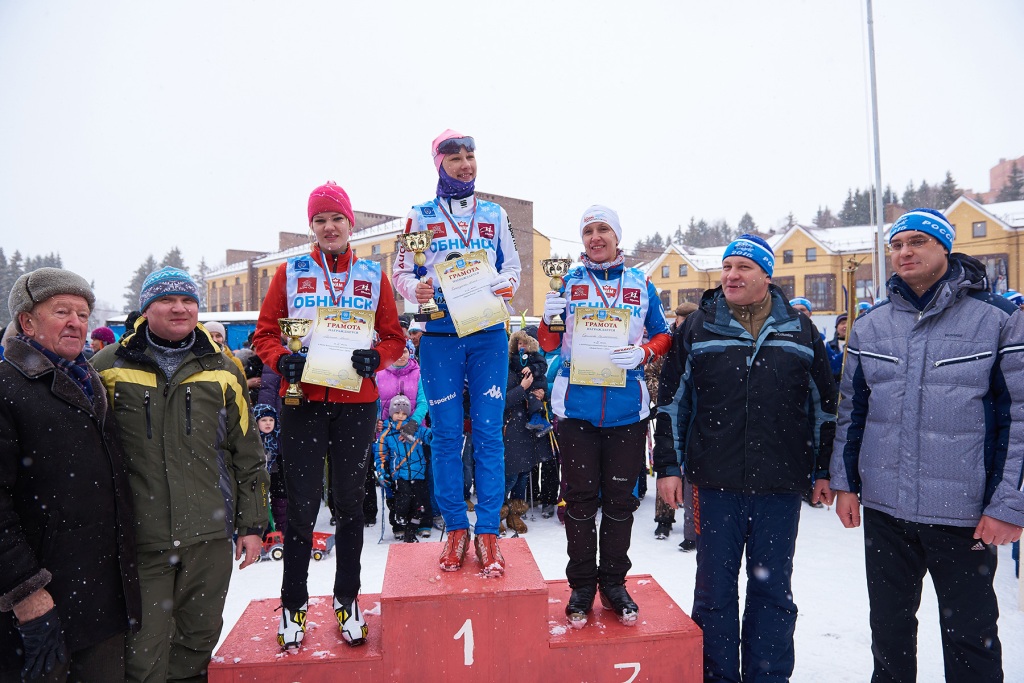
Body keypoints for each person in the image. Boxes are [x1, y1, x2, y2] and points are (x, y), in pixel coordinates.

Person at [830, 208, 1024, 682]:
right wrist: (846, 483)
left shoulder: (998, 319)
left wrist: (1008, 504)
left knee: (971, 638)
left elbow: (1018, 415)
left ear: (945, 248)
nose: (905, 252)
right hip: (886, 511)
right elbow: (852, 410)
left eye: (918, 241)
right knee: (888, 633)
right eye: (897, 245)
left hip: (964, 514)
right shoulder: (871, 325)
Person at [653, 234, 837, 682]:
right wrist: (669, 467)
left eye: (743, 267)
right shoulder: (698, 327)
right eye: (727, 266)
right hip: (714, 483)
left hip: (780, 485)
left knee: (772, 592)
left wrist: (823, 470)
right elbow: (673, 403)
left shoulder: (799, 329)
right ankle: (717, 677)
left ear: (766, 275)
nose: (731, 275)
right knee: (713, 593)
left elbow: (824, 408)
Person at [90, 266, 268, 682]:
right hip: (142, 536)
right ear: (145, 309)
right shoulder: (108, 366)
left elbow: (247, 452)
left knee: (197, 643)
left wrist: (252, 524)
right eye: (167, 300)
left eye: (188, 300)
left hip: (209, 534)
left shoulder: (223, 368)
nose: (179, 308)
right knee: (143, 651)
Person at [253, 181, 405, 650]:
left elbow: (393, 337)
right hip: (303, 403)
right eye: (320, 220)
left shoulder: (372, 274)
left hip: (356, 404)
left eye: (337, 218)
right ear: (312, 226)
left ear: (350, 223)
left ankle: (347, 599)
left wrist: (377, 359)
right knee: (301, 507)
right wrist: (282, 360)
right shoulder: (290, 272)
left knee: (350, 506)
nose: (329, 226)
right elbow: (265, 334)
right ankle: (293, 603)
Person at [0, 268, 141, 683]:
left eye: (82, 314)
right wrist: (25, 591)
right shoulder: (7, 386)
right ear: (27, 322)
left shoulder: (89, 379)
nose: (76, 323)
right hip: (40, 603)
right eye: (61, 311)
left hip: (101, 596)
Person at [393, 129, 522, 576]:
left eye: (470, 156)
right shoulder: (420, 215)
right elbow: (401, 272)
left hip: (487, 334)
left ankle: (487, 531)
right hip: (440, 336)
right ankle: (454, 528)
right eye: (455, 159)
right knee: (447, 435)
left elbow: (512, 267)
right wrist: (414, 288)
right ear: (439, 165)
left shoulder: (494, 214)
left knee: (488, 434)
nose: (465, 165)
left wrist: (508, 285)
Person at [538, 205, 671, 628]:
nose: (595, 237)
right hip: (576, 409)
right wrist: (549, 316)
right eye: (588, 231)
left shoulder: (641, 283)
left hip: (625, 410)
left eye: (603, 230)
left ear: (617, 236)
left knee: (620, 502)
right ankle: (580, 586)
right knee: (579, 501)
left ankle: (614, 583)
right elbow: (547, 344)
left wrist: (644, 352)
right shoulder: (567, 281)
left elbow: (664, 334)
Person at [649, 302, 698, 549]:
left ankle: (693, 522)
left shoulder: (701, 336)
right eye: (681, 318)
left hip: (695, 413)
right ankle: (664, 518)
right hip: (669, 410)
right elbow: (651, 373)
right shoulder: (666, 341)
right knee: (668, 463)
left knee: (693, 472)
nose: (684, 322)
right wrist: (663, 397)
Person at [502, 329, 554, 535]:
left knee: (524, 474)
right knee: (510, 475)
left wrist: (542, 393)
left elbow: (543, 387)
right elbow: (503, 401)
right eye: (518, 343)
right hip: (511, 427)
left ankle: (515, 514)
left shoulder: (535, 365)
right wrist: (522, 388)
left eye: (525, 343)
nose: (522, 347)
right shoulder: (505, 367)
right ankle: (498, 512)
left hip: (529, 428)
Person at [374, 395, 432, 544]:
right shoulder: (386, 433)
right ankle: (399, 520)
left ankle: (411, 532)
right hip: (400, 475)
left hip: (418, 473)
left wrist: (437, 433)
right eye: (397, 412)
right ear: (391, 413)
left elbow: (430, 437)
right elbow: (381, 455)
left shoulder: (416, 429)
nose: (400, 416)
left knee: (418, 505)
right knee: (403, 499)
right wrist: (381, 472)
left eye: (404, 413)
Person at [254, 403, 287, 538]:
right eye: (264, 420)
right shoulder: (252, 439)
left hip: (275, 474)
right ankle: (263, 533)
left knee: (281, 503)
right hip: (258, 477)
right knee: (260, 505)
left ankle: (282, 531)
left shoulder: (278, 437)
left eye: (271, 420)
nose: (268, 423)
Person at [825, 312, 847, 384]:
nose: (846, 326)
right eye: (843, 323)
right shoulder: (828, 346)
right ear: (837, 327)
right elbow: (831, 369)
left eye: (849, 323)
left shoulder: (861, 346)